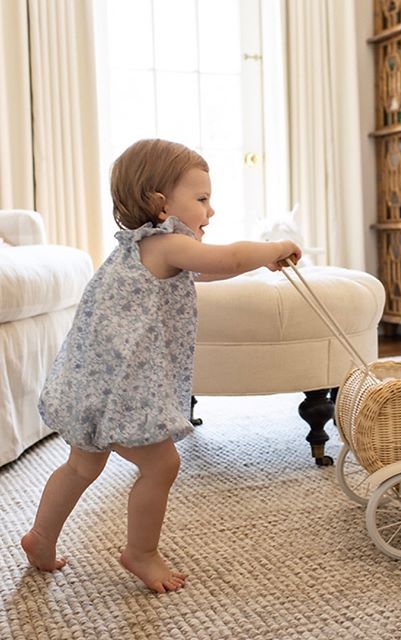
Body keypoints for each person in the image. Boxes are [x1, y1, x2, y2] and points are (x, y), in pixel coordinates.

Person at [21, 138, 301, 593]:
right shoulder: (166, 243)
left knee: (81, 467)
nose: (210, 211)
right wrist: (274, 246)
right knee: (162, 464)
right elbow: (225, 257)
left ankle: (41, 538)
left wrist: (259, 263)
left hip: (94, 382)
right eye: (202, 199)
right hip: (125, 389)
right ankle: (140, 552)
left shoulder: (142, 249)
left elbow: (212, 269)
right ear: (160, 203)